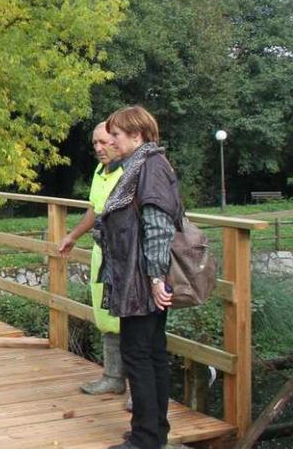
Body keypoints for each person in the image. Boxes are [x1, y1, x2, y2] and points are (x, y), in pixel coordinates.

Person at [97, 106, 181, 449]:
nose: (111, 140)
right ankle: (153, 432)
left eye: (116, 134)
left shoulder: (150, 167)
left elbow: (158, 225)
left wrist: (157, 278)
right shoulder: (141, 165)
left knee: (140, 355)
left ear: (137, 135)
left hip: (142, 281)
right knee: (151, 353)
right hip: (138, 277)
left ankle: (146, 438)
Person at [58, 122, 125, 396]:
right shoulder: (101, 171)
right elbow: (93, 210)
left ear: (119, 140)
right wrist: (72, 236)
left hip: (124, 256)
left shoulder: (132, 171)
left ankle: (138, 391)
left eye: (104, 142)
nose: (98, 148)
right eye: (95, 143)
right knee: (105, 317)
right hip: (102, 252)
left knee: (130, 320)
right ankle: (112, 377)